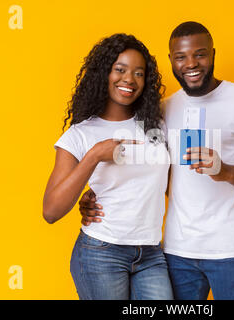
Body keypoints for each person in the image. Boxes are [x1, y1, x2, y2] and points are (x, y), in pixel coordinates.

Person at [79, 21, 234, 300]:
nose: (191, 64)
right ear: (171, 61)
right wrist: (98, 193)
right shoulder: (162, 110)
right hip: (177, 253)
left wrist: (228, 174)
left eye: (199, 54)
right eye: (181, 57)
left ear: (213, 54)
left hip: (233, 251)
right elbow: (149, 168)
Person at [42, 33, 173, 300]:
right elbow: (51, 211)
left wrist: (232, 193)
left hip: (150, 251)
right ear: (104, 73)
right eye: (120, 70)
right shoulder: (80, 134)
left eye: (138, 73)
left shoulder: (156, 125)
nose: (129, 79)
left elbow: (172, 180)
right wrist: (93, 157)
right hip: (101, 253)